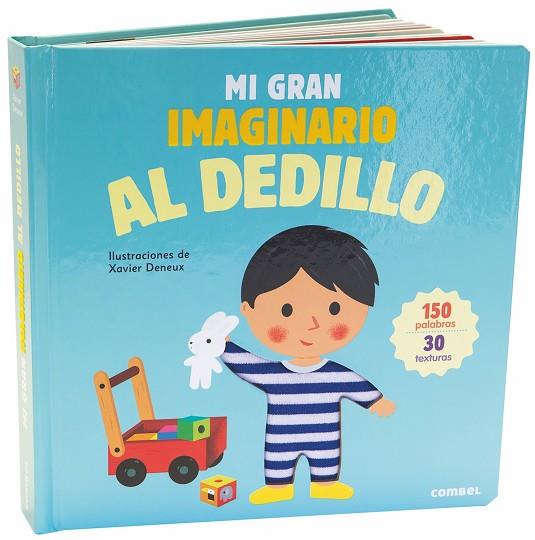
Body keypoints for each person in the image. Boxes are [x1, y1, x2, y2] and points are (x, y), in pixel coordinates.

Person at [222, 225, 396, 504]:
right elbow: (249, 366)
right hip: (282, 438)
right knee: (277, 458)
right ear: (248, 309)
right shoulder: (274, 376)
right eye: (287, 310)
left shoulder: (334, 374)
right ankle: (278, 487)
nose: (312, 324)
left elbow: (355, 384)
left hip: (324, 438)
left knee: (326, 458)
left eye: (334, 309)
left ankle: (325, 484)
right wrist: (224, 347)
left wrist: (375, 401)